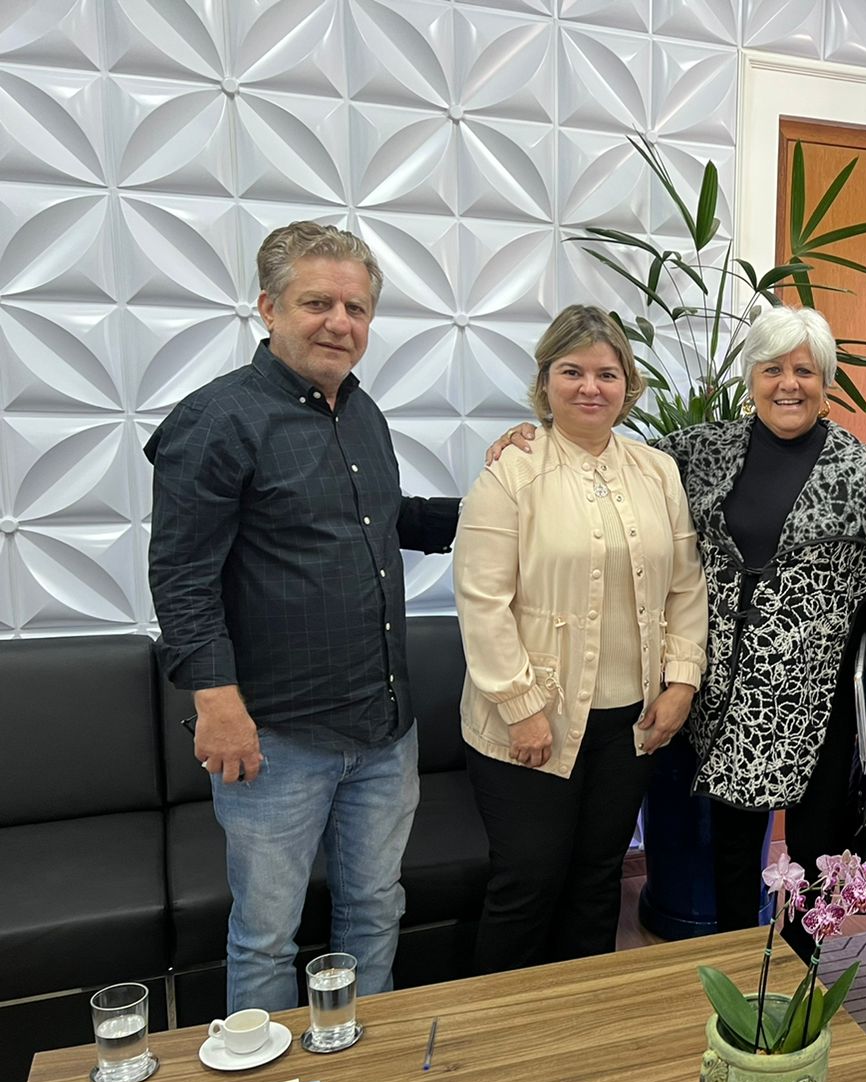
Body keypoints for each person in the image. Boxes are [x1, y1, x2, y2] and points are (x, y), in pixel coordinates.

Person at [146, 221, 461, 1012]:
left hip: (384, 730)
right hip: (277, 739)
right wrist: (216, 704)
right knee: (266, 934)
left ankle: (360, 1061)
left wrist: (504, 506)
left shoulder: (361, 412)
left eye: (356, 308)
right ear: (269, 308)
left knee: (375, 909)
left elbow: (384, 518)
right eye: (317, 303)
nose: (339, 323)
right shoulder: (216, 420)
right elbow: (182, 577)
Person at [453, 305, 708, 972]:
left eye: (607, 373)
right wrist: (521, 706)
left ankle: (584, 1018)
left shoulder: (658, 471)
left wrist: (681, 683)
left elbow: (686, 584)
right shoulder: (511, 471)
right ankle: (504, 1024)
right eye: (572, 372)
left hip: (630, 723)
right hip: (531, 721)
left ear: (628, 385)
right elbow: (481, 601)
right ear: (546, 381)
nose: (590, 387)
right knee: (528, 881)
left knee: (599, 878)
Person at [655, 305, 866, 960]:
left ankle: (800, 972)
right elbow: (611, 464)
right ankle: (740, 969)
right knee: (734, 852)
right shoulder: (701, 453)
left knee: (817, 851)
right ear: (751, 378)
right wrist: (534, 436)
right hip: (728, 694)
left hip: (819, 697)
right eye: (772, 369)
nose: (789, 384)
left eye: (805, 370)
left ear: (827, 382)